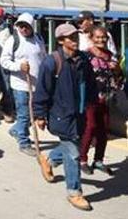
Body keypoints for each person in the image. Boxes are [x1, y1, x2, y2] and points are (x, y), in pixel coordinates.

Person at [34, 23, 96, 212]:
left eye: (76, 36)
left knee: (73, 147)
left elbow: (90, 83)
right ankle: (74, 192)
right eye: (70, 37)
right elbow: (42, 90)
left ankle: (50, 160)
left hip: (79, 113)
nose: (75, 40)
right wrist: (39, 114)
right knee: (73, 153)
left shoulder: (83, 59)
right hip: (60, 115)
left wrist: (92, 103)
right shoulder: (51, 62)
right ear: (61, 40)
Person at [0, 13, 47, 157]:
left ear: (31, 26)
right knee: (25, 114)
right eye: (20, 26)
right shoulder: (13, 40)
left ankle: (16, 130)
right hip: (20, 84)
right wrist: (19, 66)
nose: (23, 29)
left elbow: (43, 57)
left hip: (36, 84)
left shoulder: (38, 38)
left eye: (26, 26)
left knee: (31, 115)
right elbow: (4, 61)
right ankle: (24, 142)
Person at [79, 26, 122, 175]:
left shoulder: (110, 55)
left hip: (106, 98)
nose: (101, 40)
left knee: (103, 130)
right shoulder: (85, 56)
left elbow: (117, 76)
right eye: (97, 37)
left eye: (103, 37)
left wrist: (115, 69)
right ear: (91, 38)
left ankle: (98, 160)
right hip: (91, 98)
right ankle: (82, 160)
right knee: (90, 128)